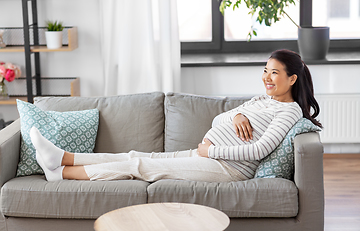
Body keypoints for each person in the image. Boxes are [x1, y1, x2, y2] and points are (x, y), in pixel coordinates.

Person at [30, 49, 322, 182]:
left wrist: (211, 151)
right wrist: (236, 117)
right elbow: (218, 119)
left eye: (274, 73)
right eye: (265, 70)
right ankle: (63, 157)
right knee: (135, 153)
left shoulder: (289, 111)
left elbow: (260, 149)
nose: (267, 77)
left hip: (227, 170)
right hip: (208, 156)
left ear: (293, 79)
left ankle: (62, 174)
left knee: (139, 165)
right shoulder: (261, 99)